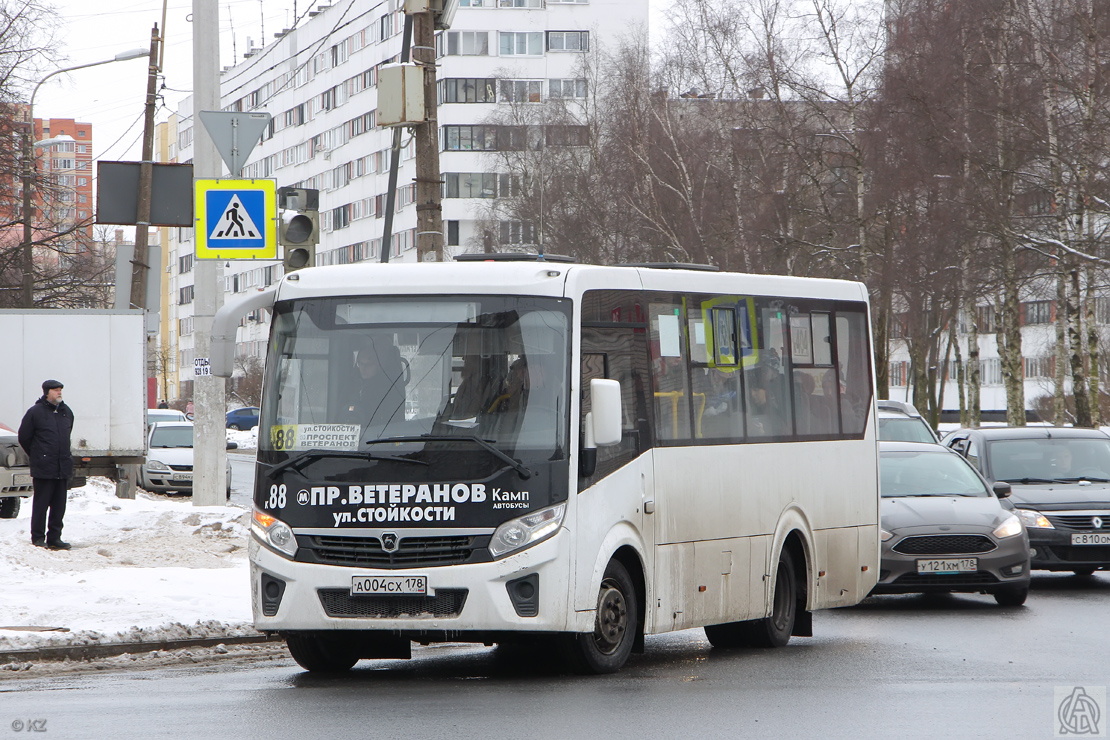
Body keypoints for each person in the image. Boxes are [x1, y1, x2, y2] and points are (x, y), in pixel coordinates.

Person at [18, 379, 75, 550]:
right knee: (41, 504)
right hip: (44, 466)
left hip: (62, 466)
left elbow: (68, 433)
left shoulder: (66, 412)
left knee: (59, 505)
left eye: (60, 390)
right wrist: (38, 455)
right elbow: (24, 437)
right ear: (47, 392)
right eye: (56, 390)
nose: (59, 393)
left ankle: (55, 538)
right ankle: (38, 537)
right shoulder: (35, 412)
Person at [350, 338, 406, 429]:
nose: (363, 369)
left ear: (380, 365)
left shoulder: (387, 391)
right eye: (361, 363)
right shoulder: (352, 385)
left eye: (369, 364)